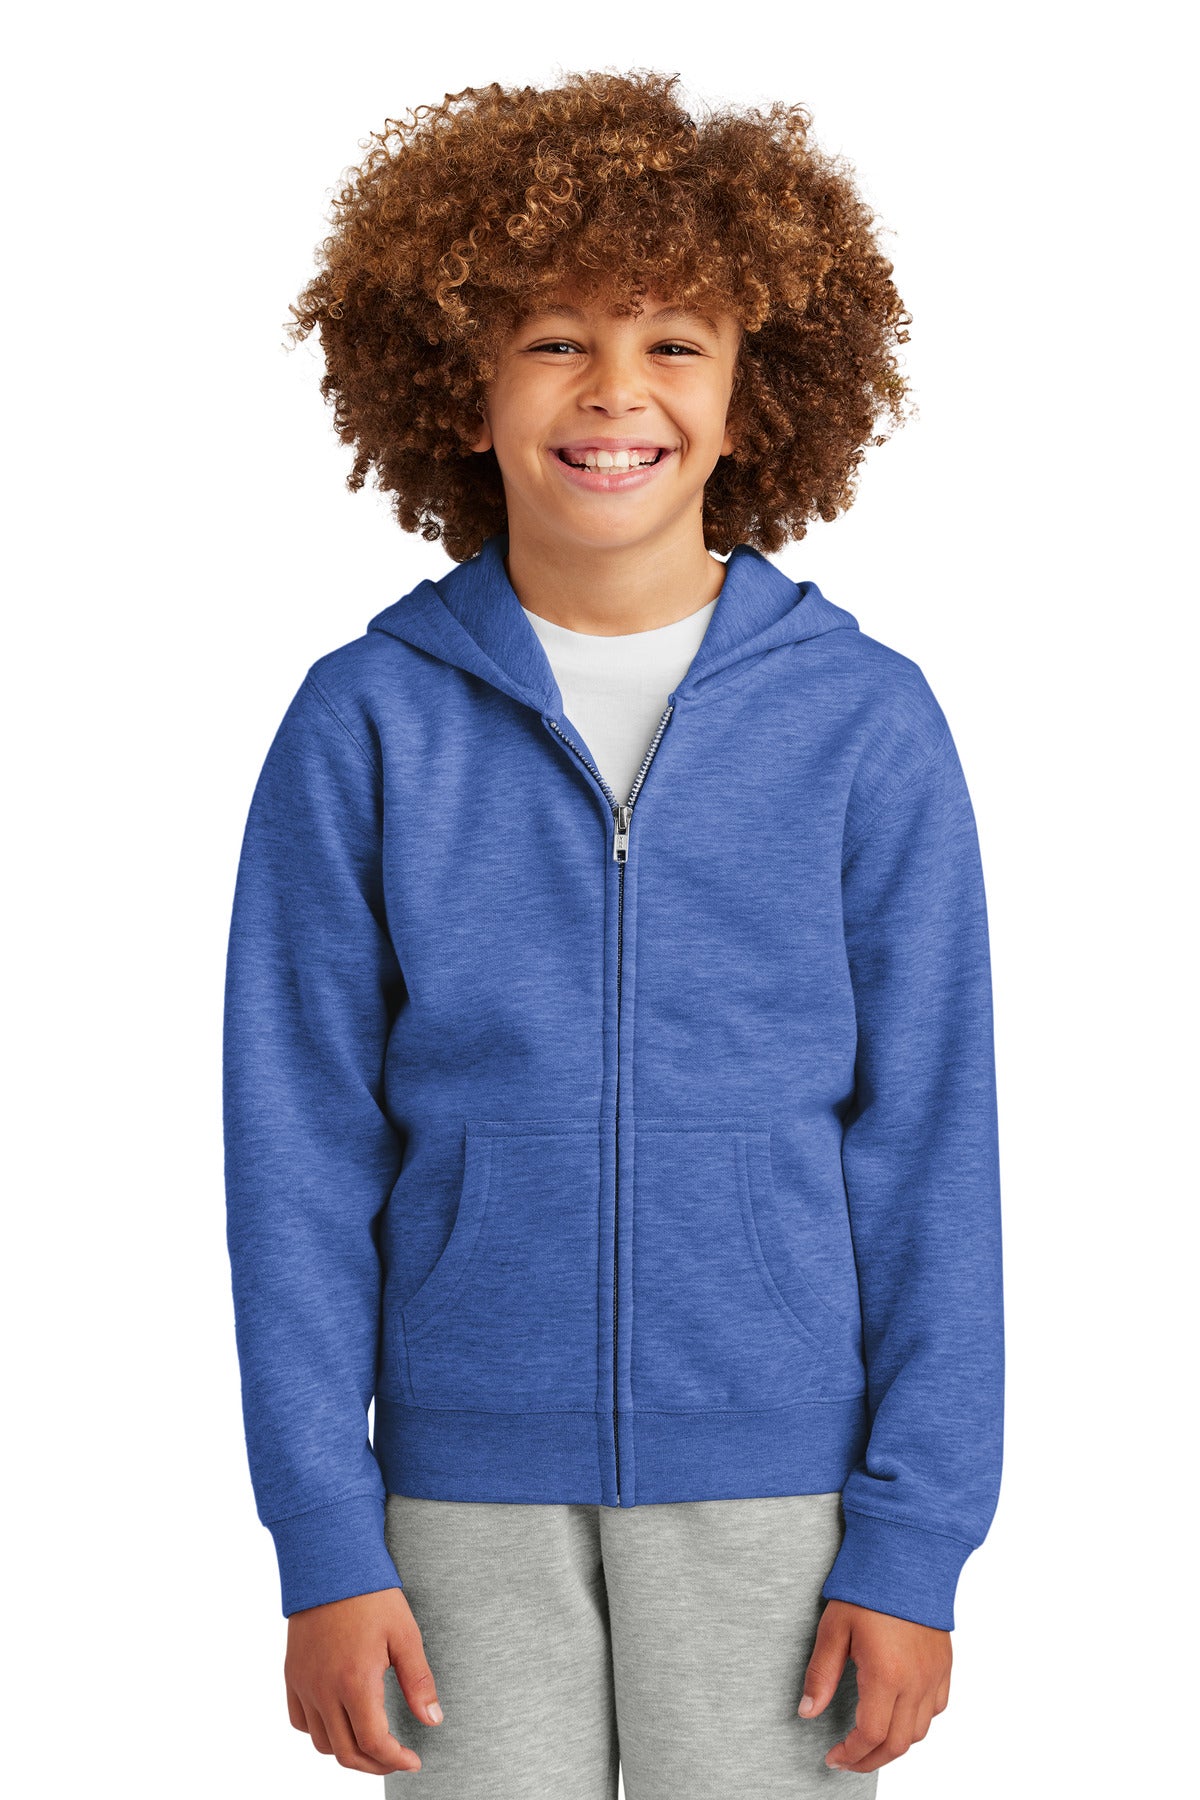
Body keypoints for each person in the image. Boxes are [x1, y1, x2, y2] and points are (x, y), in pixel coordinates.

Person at [222, 69, 1004, 1796]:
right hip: (455, 1501)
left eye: (674, 342)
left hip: (784, 1496)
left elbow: (934, 1148)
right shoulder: (366, 723)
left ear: (752, 398)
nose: (614, 391)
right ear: (463, 382)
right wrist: (324, 1537)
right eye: (555, 339)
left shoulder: (864, 722)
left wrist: (915, 1538)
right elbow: (295, 1154)